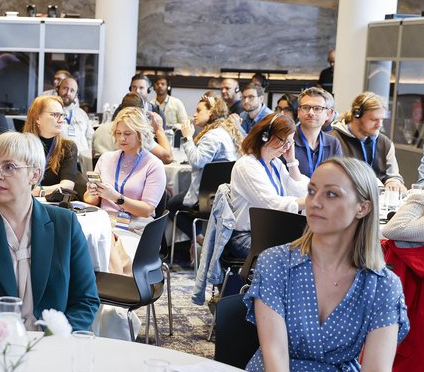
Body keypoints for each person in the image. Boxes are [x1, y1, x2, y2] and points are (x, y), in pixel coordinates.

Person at [244, 156, 408, 372]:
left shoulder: (383, 285)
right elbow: (275, 351)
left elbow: (375, 371)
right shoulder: (275, 262)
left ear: (363, 207)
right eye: (312, 191)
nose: (314, 203)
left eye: (331, 194)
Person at [0, 132, 100, 331]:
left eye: (9, 167)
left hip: (52, 346)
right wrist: (10, 340)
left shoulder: (65, 224)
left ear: (35, 175)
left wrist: (51, 339)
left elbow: (85, 301)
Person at [228, 113, 309, 257]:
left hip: (270, 232)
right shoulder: (247, 165)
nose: (287, 147)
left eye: (290, 143)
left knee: (313, 248)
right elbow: (271, 205)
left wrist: (291, 161)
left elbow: (300, 192)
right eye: (283, 141)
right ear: (265, 136)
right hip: (246, 236)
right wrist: (312, 201)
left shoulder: (275, 163)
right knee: (300, 255)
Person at [169, 93, 243, 238]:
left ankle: (200, 240)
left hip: (207, 197)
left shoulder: (213, 135)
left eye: (198, 110)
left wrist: (187, 137)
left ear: (211, 111)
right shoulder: (226, 131)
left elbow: (197, 161)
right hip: (223, 194)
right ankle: (198, 242)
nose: (194, 114)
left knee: (170, 205)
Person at [85, 107, 167, 224]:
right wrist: (91, 193)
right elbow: (91, 201)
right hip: (105, 222)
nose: (121, 138)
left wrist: (117, 198)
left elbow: (147, 211)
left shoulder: (154, 165)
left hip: (136, 225)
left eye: (127, 134)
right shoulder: (105, 158)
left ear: (140, 135)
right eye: (118, 133)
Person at [332, 92, 405, 193]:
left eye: (382, 119)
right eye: (374, 119)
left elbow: (393, 175)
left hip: (378, 202)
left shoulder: (385, 142)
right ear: (356, 116)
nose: (379, 125)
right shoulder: (332, 140)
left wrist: (393, 182)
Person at [21, 95, 82, 199]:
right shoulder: (21, 145)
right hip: (21, 202)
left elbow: (68, 186)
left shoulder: (67, 147)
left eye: (62, 115)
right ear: (37, 118)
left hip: (51, 205)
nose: (61, 120)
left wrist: (39, 191)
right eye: (55, 115)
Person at [292, 87, 342, 177]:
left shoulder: (333, 143)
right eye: (306, 107)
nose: (311, 112)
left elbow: (337, 178)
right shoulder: (286, 140)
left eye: (317, 108)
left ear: (328, 114)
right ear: (298, 112)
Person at [58, 77, 95, 172]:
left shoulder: (81, 113)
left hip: (82, 162)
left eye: (72, 90)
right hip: (60, 161)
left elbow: (90, 137)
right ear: (58, 89)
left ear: (76, 95)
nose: (68, 93)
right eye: (65, 88)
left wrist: (89, 154)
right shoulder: (52, 111)